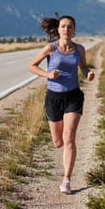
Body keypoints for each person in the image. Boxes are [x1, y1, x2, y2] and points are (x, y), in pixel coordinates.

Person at [28, 14, 95, 194]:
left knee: (69, 137)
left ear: (74, 30)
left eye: (70, 27)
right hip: (53, 98)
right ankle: (65, 174)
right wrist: (47, 74)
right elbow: (32, 66)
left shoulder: (79, 49)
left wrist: (88, 73)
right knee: (58, 142)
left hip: (73, 96)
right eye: (63, 26)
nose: (66, 29)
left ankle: (66, 180)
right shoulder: (51, 48)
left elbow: (83, 67)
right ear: (58, 29)